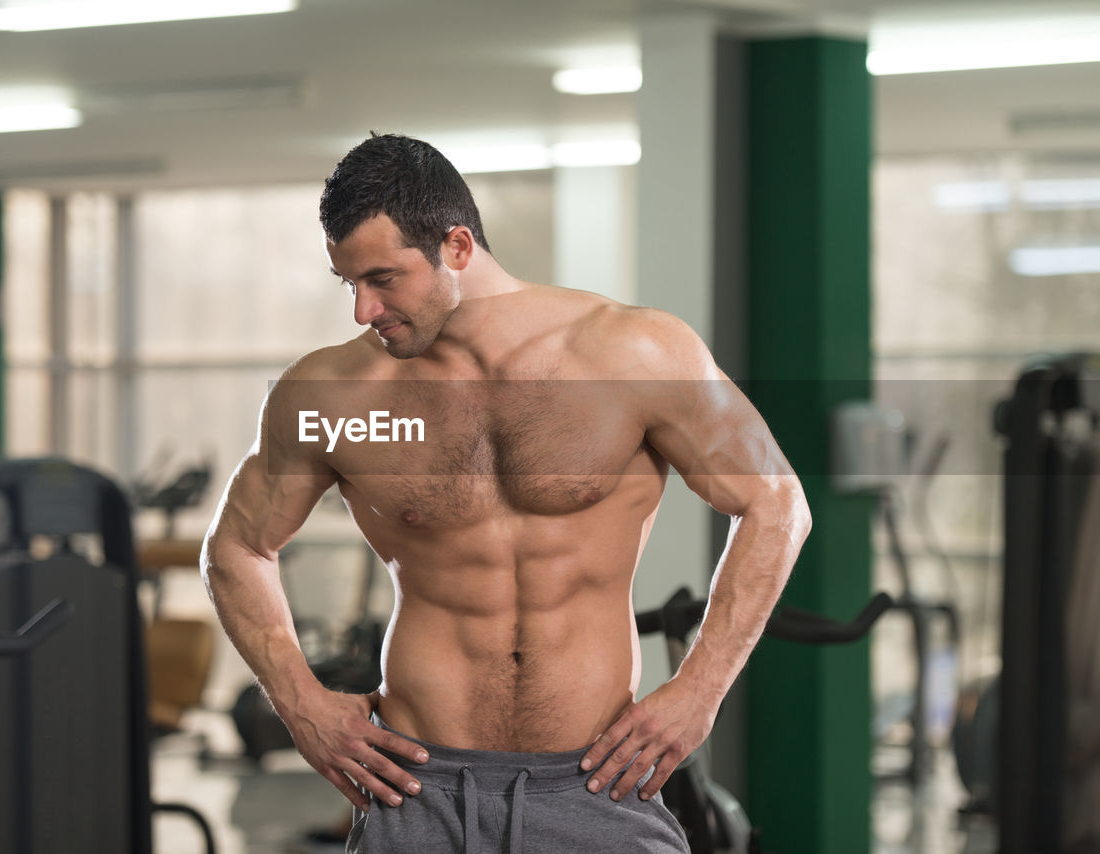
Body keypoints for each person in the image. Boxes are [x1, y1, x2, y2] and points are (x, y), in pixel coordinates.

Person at [202, 133, 811, 853]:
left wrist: (699, 692)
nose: (363, 310)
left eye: (384, 278)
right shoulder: (334, 393)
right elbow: (237, 546)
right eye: (349, 283)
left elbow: (776, 503)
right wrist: (301, 703)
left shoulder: (634, 353)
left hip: (596, 785)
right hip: (417, 790)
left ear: (457, 247)